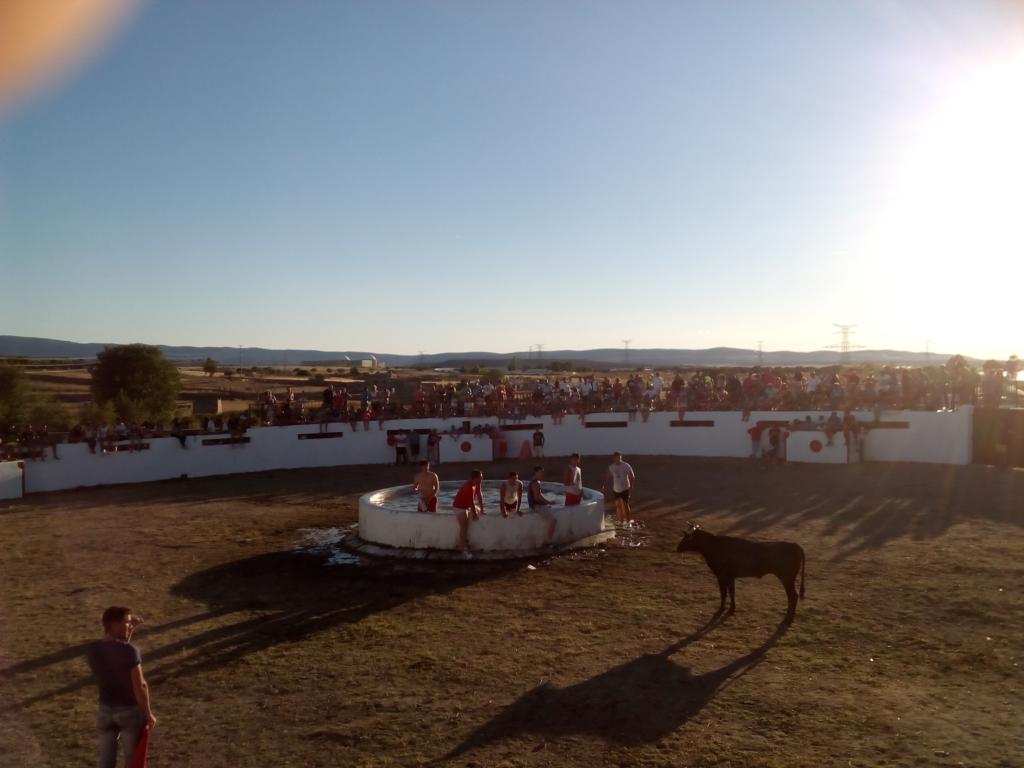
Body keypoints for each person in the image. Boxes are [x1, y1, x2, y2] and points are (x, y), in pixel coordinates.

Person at [86, 606, 157, 768]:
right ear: (114, 625)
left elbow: (118, 652)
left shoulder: (93, 650)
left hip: (105, 711)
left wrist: (131, 630)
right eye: (127, 623)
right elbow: (141, 685)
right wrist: (148, 713)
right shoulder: (129, 651)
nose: (129, 625)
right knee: (132, 762)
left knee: (105, 761)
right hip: (129, 712)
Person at [451, 469, 485, 557]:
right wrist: (474, 514)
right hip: (459, 507)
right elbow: (471, 502)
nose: (482, 479)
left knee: (478, 512)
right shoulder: (468, 486)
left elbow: (479, 495)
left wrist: (482, 509)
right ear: (475, 478)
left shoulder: (477, 484)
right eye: (480, 478)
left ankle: (465, 544)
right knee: (464, 526)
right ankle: (463, 549)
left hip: (467, 506)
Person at [603, 451, 636, 526]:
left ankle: (628, 521)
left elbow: (632, 476)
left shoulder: (626, 465)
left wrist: (631, 487)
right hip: (616, 489)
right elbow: (608, 476)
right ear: (613, 458)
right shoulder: (611, 467)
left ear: (621, 457)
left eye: (619, 457)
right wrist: (604, 484)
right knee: (618, 505)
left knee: (625, 505)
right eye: (616, 457)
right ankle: (621, 521)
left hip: (625, 488)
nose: (617, 459)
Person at [528, 465, 557, 542]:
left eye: (543, 472)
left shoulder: (536, 482)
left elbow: (539, 495)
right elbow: (536, 498)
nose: (542, 474)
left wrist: (547, 502)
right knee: (553, 520)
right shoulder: (535, 483)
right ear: (536, 473)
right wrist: (546, 503)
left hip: (536, 504)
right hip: (536, 506)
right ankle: (549, 541)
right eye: (540, 472)